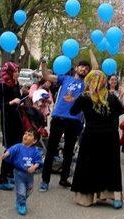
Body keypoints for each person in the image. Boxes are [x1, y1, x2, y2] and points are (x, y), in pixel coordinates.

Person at [70, 70, 124, 208]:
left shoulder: (84, 97)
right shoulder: (111, 97)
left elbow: (73, 111)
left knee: (89, 165)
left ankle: (87, 197)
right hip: (110, 136)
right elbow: (121, 110)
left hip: (91, 135)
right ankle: (114, 196)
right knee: (110, 165)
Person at [39, 58, 93, 192]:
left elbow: (96, 68)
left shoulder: (87, 83)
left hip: (75, 120)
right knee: (51, 150)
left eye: (87, 68)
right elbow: (46, 76)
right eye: (82, 67)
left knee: (69, 151)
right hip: (59, 117)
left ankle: (64, 179)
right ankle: (45, 181)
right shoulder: (65, 79)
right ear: (76, 67)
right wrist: (44, 64)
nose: (84, 70)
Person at [0, 62, 23, 190]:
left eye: (18, 71)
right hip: (8, 120)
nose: (18, 73)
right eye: (16, 71)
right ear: (10, 71)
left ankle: (9, 173)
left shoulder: (16, 82)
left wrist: (22, 96)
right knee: (9, 148)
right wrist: (11, 102)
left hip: (17, 118)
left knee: (17, 146)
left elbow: (18, 97)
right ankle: (1, 179)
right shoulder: (2, 84)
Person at [3, 129, 44, 215]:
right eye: (25, 133)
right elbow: (10, 150)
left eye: (29, 135)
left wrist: (34, 166)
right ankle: (21, 204)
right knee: (21, 191)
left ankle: (20, 199)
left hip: (30, 175)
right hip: (19, 173)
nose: (26, 135)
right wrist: (6, 154)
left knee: (28, 190)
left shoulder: (35, 151)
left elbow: (38, 161)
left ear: (35, 140)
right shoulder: (18, 146)